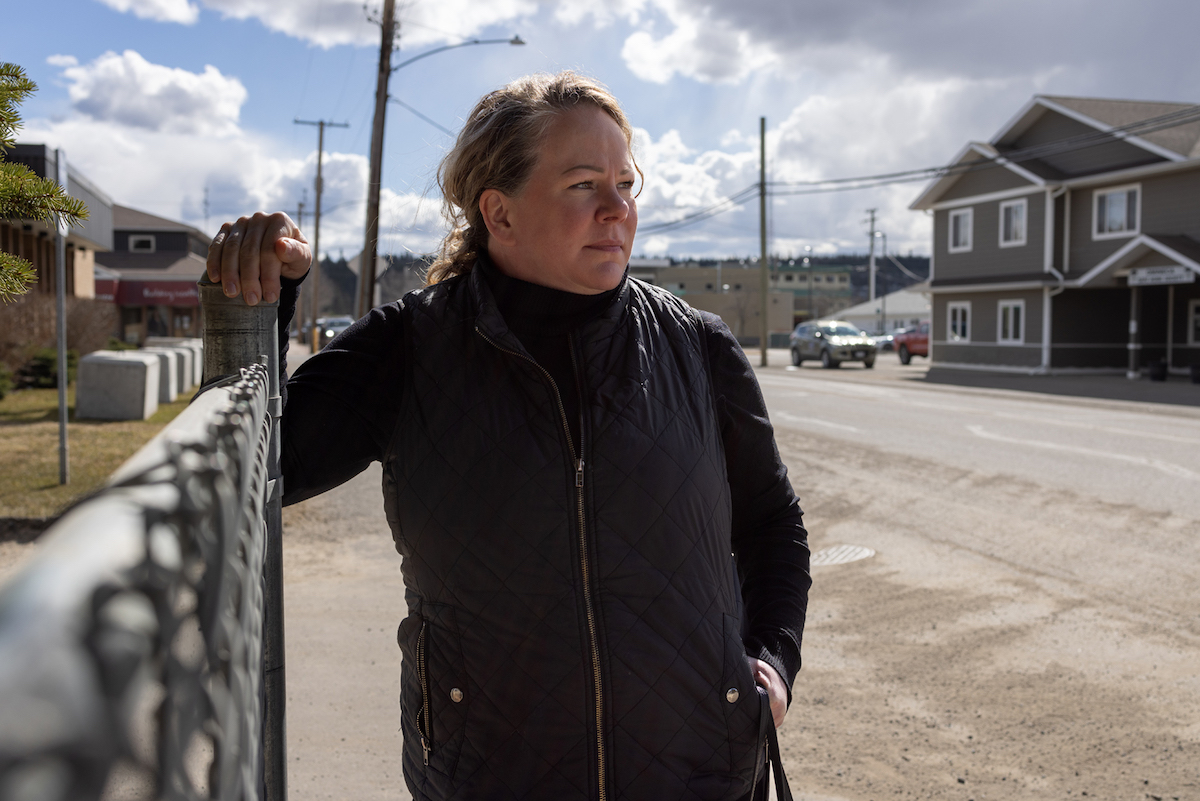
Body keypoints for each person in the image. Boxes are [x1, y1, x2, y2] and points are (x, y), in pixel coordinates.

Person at [206, 71, 810, 801]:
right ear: (501, 212)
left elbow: (773, 522)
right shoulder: (410, 347)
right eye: (586, 184)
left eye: (626, 182)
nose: (619, 209)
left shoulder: (697, 346)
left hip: (698, 773)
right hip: (492, 774)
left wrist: (772, 658)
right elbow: (260, 468)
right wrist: (264, 304)